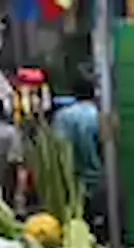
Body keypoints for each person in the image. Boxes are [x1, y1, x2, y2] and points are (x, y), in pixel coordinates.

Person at [52, 74, 105, 230]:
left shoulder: (62, 116)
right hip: (97, 180)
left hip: (71, 183)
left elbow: (58, 147)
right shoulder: (98, 115)